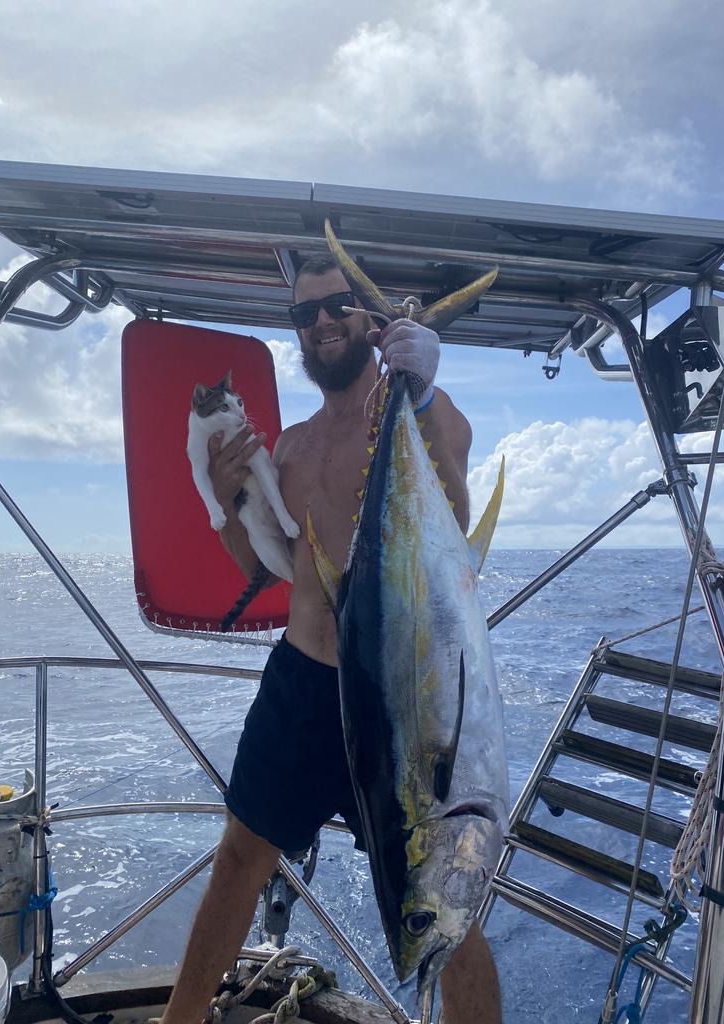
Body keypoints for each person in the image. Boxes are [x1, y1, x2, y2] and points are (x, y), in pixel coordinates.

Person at [159, 255, 502, 1024]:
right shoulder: (290, 450)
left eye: (338, 306)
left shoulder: (428, 414)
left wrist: (419, 383)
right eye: (303, 316)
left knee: (447, 897)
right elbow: (266, 566)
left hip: (397, 690)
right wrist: (223, 504)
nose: (322, 324)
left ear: (369, 322)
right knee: (240, 860)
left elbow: (454, 509)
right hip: (303, 682)